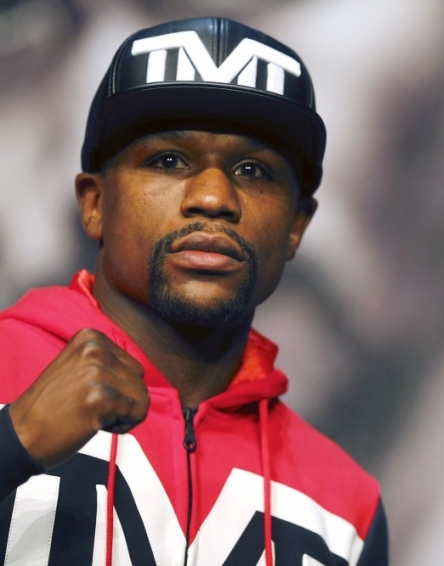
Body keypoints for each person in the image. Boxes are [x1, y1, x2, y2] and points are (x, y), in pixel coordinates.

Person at [0, 16, 387, 566]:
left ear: (296, 227)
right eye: (168, 160)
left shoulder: (346, 508)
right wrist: (13, 444)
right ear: (94, 204)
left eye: (254, 170)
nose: (213, 197)